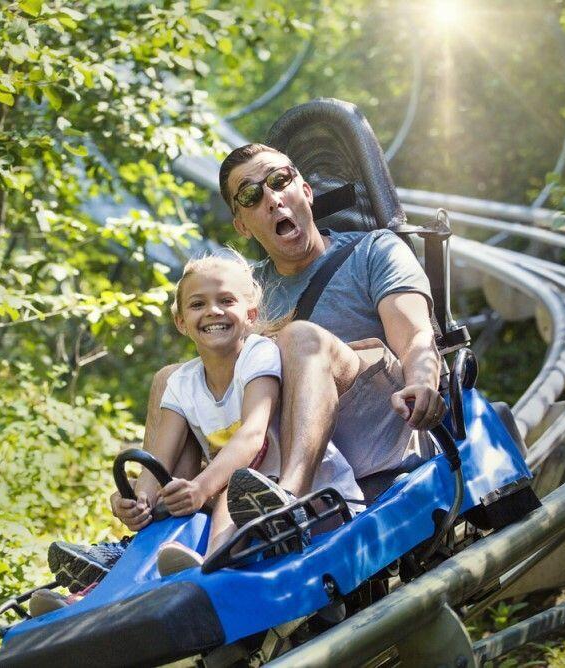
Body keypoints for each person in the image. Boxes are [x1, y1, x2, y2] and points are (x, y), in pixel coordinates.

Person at [49, 143, 445, 591]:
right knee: (170, 379)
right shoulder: (245, 290)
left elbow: (415, 335)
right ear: (241, 223)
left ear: (305, 189)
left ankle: (289, 501)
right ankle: (147, 530)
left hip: (374, 423)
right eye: (251, 195)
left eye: (279, 181)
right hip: (269, 442)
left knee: (296, 337)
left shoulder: (375, 250)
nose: (272, 198)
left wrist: (422, 380)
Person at [30, 251, 362, 616]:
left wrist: (201, 487)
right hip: (240, 496)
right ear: (181, 321)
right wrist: (138, 499)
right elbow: (159, 462)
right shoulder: (182, 384)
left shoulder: (258, 354)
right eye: (198, 304)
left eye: (226, 301)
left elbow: (253, 435)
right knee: (172, 506)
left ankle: (209, 574)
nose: (213, 311)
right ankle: (94, 597)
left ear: (250, 315)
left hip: (306, 496)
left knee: (228, 490)